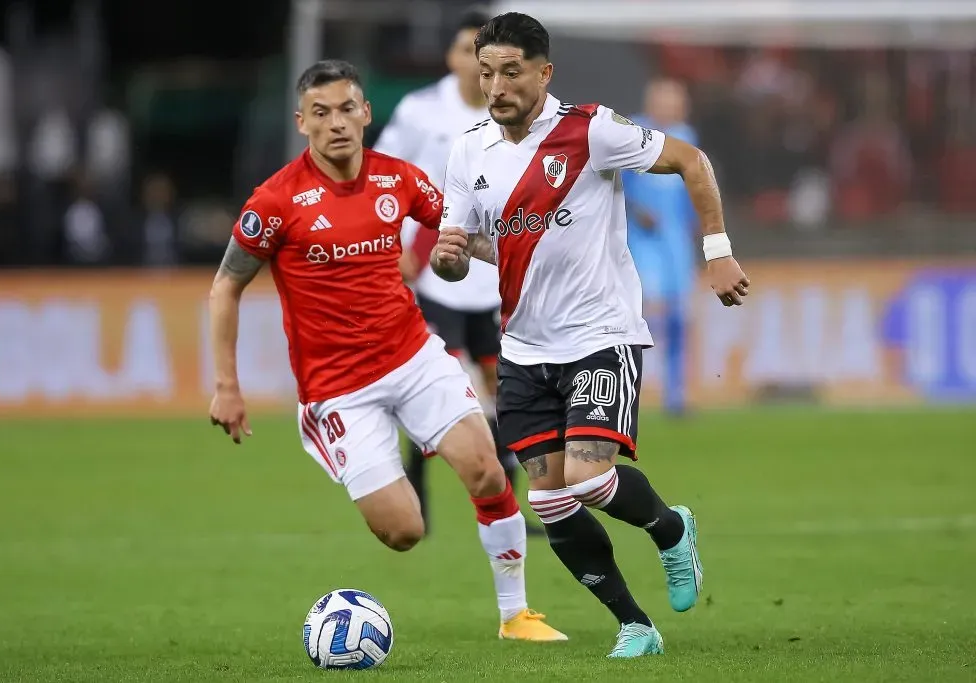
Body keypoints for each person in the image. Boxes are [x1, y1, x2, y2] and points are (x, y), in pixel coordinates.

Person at [207, 59, 565, 642]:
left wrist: (522, 255)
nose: (337, 124)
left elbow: (459, 234)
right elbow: (226, 285)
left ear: (367, 113)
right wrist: (227, 385)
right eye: (321, 113)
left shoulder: (397, 178)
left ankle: (515, 616)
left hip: (414, 356)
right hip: (338, 390)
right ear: (302, 123)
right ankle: (365, 465)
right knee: (404, 530)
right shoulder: (275, 202)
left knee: (485, 468)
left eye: (348, 108)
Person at [431, 13, 750, 658]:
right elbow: (472, 248)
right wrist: (450, 257)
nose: (496, 86)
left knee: (585, 479)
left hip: (601, 337)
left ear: (544, 73)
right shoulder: (468, 150)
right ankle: (636, 624)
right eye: (487, 72)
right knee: (548, 501)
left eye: (511, 72)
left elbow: (691, 160)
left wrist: (715, 249)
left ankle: (668, 528)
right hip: (523, 347)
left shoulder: (591, 130)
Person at [373, 6, 541, 536]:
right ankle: (416, 492)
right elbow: (384, 175)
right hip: (432, 278)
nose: (478, 65)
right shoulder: (422, 111)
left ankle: (511, 502)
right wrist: (392, 244)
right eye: (471, 52)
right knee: (432, 386)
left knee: (503, 389)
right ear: (452, 56)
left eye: (488, 55)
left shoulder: (515, 112)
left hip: (494, 281)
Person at [621, 78, 698, 415]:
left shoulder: (687, 136)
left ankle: (675, 394)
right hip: (641, 240)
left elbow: (694, 188)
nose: (672, 108)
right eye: (665, 101)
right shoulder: (632, 133)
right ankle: (628, 388)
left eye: (676, 102)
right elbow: (615, 185)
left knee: (681, 316)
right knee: (646, 314)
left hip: (676, 240)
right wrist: (636, 211)